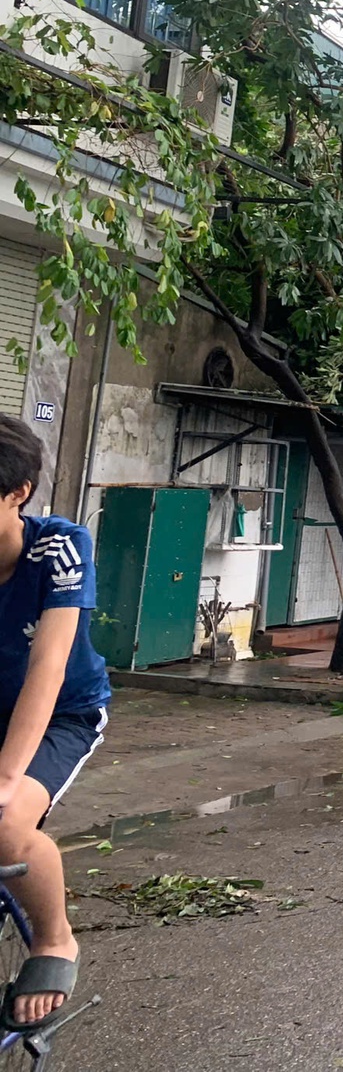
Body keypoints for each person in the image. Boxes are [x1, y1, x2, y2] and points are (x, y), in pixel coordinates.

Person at [0, 417, 109, 1030]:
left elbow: (49, 664)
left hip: (59, 714)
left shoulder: (58, 548)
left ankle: (53, 937)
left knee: (6, 827)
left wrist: (7, 777)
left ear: (19, 493)